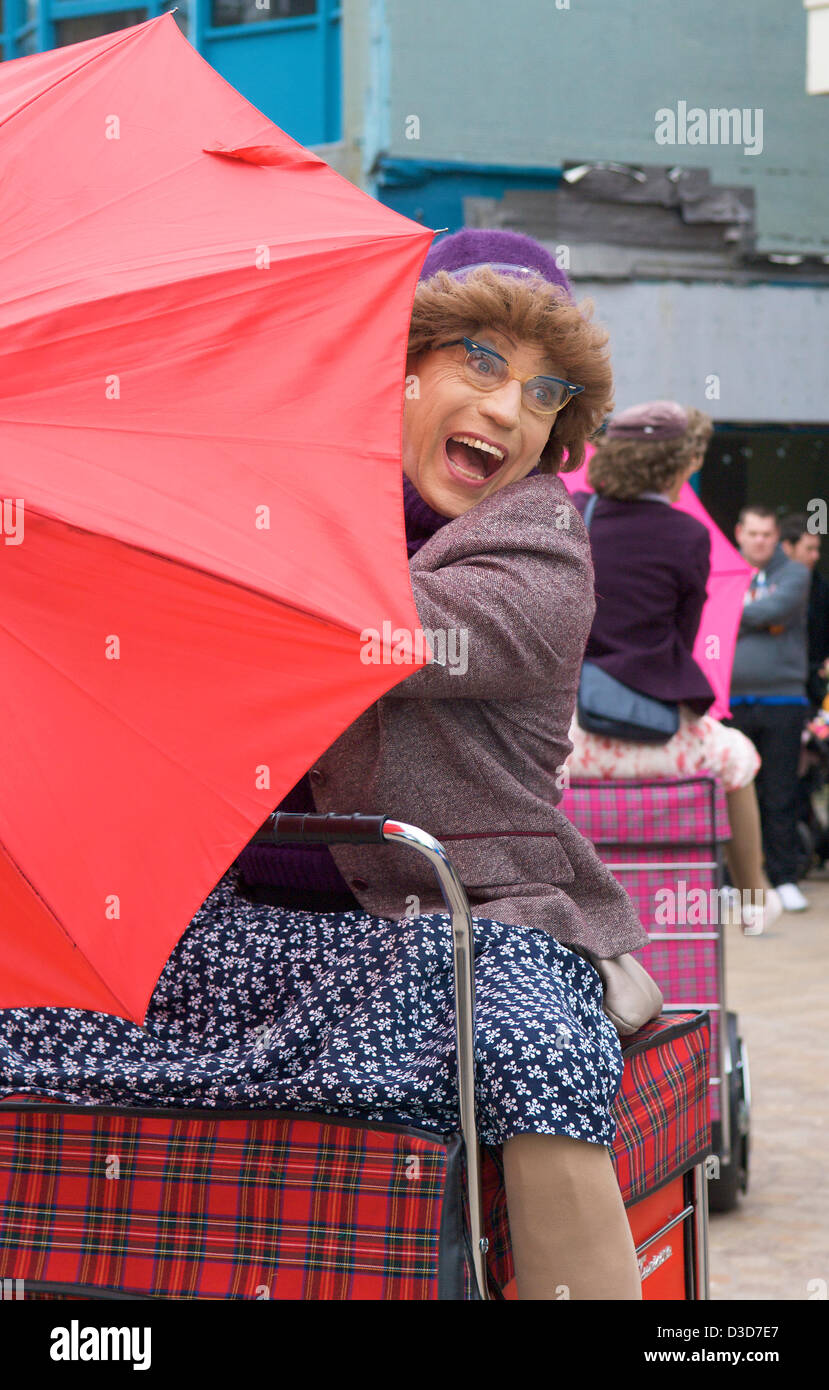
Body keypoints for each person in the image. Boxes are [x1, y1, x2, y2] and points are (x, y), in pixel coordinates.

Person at [226, 228, 650, 1299]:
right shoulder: (300, 493)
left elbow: (385, 633)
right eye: (477, 359)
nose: (507, 411)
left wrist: (207, 545)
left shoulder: (543, 544)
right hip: (252, 927)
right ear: (398, 363)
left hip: (466, 924)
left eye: (544, 390)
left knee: (526, 1044)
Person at [565, 401, 780, 933]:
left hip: (574, 733)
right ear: (678, 465)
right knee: (740, 760)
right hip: (663, 733)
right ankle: (754, 896)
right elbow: (682, 638)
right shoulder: (689, 534)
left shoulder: (576, 514)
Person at [729, 506, 811, 913]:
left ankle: (783, 879)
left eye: (767, 534)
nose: (760, 540)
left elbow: (776, 610)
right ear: (740, 533)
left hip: (783, 699)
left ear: (777, 537)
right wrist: (754, 619)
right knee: (731, 791)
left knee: (779, 792)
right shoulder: (721, 569)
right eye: (754, 533)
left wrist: (733, 614)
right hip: (730, 700)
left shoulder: (796, 572)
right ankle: (731, 882)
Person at [779, 512, 829, 708]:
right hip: (780, 684)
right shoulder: (767, 585)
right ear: (787, 548)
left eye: (817, 549)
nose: (815, 556)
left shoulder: (821, 588)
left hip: (815, 684)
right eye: (809, 549)